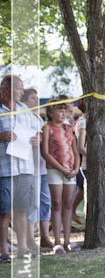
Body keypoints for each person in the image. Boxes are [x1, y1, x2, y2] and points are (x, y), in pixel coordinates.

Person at [0, 75, 40, 261]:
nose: (22, 92)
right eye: (18, 88)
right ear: (6, 89)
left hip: (25, 168)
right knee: (4, 212)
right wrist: (1, 136)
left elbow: (38, 129)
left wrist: (37, 139)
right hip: (4, 170)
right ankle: (3, 250)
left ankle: (22, 248)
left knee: (22, 210)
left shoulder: (25, 110)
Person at [41, 97, 80, 254]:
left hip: (70, 170)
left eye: (65, 111)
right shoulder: (47, 128)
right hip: (55, 170)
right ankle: (57, 241)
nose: (63, 114)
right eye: (60, 111)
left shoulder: (68, 128)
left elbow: (75, 151)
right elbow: (45, 153)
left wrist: (76, 169)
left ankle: (67, 240)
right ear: (51, 113)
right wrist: (62, 169)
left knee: (68, 203)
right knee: (56, 203)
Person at [21, 87, 53, 250]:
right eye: (33, 98)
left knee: (45, 201)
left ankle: (45, 236)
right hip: (30, 166)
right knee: (32, 203)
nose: (36, 100)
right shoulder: (21, 117)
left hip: (42, 165)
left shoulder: (38, 118)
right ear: (24, 101)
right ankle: (29, 238)